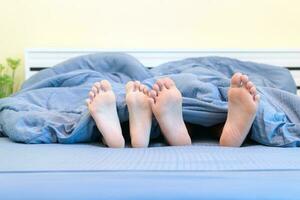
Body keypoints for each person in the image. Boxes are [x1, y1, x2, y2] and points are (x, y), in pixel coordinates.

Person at [86, 72, 260, 148]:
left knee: (158, 94)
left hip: (164, 99)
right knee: (212, 110)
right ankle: (223, 128)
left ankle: (121, 131)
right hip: (208, 104)